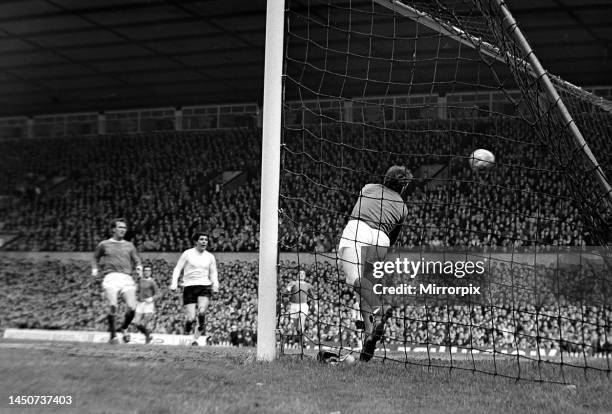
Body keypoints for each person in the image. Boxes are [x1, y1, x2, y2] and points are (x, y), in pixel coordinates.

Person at [338, 165, 427, 361]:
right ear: (403, 188)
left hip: (359, 228)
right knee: (366, 288)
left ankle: (379, 309)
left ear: (385, 178)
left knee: (355, 280)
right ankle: (369, 336)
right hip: (381, 238)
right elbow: (393, 237)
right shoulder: (403, 207)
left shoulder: (368, 187)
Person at [92, 218, 143, 344]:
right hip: (111, 277)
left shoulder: (130, 245)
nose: (123, 230)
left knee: (132, 307)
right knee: (113, 305)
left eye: (124, 228)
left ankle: (124, 327)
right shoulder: (104, 244)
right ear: (113, 229)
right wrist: (94, 270)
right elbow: (95, 257)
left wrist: (139, 268)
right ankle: (113, 336)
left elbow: (136, 259)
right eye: (120, 227)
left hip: (126, 278)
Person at [170, 231, 219, 346]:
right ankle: (188, 328)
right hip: (189, 287)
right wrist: (174, 283)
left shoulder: (210, 257)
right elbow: (177, 269)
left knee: (201, 312)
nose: (204, 242)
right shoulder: (187, 254)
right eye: (201, 239)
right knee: (191, 318)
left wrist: (216, 284)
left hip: (204, 286)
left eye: (206, 240)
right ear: (196, 241)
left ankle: (195, 339)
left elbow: (213, 273)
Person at [285, 269, 314, 348]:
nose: (301, 274)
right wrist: (288, 289)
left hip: (303, 305)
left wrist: (313, 300)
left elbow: (313, 295)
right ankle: (301, 341)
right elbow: (286, 292)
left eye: (303, 273)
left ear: (305, 276)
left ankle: (302, 343)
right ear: (297, 275)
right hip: (293, 306)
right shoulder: (293, 283)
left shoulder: (308, 285)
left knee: (300, 325)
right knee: (296, 327)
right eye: (300, 273)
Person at [132, 264, 160, 344]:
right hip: (140, 303)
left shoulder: (152, 282)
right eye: (146, 270)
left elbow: (158, 293)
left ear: (151, 272)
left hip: (148, 304)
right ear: (143, 272)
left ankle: (147, 341)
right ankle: (148, 335)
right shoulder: (140, 280)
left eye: (149, 270)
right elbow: (137, 275)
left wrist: (151, 299)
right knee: (136, 322)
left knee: (146, 322)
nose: (147, 272)